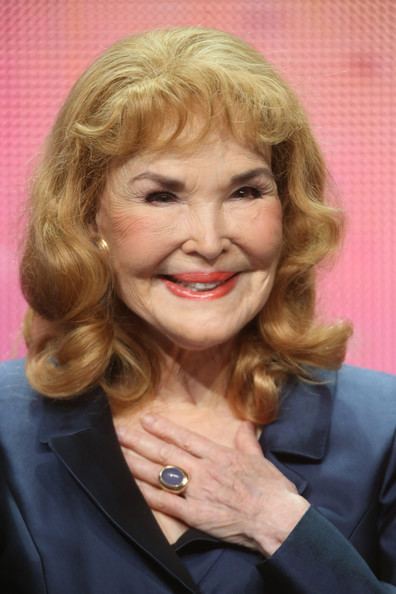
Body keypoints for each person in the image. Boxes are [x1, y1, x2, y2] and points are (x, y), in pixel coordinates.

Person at [0, 26, 395, 594]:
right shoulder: (9, 437)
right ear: (89, 217)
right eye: (162, 195)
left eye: (245, 192)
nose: (209, 241)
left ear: (288, 209)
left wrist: (282, 526)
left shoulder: (384, 431)